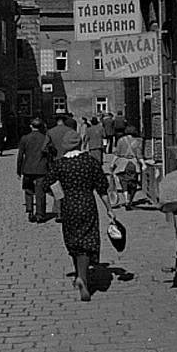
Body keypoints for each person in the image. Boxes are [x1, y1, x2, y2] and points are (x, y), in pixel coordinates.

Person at [44, 129, 116, 302]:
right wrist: (109, 209)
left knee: (73, 239)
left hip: (68, 206)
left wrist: (61, 196)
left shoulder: (60, 164)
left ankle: (79, 274)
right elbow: (102, 187)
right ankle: (82, 277)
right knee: (87, 239)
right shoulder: (90, 162)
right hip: (87, 204)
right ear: (80, 143)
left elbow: (48, 185)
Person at [16, 117, 49, 223]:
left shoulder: (25, 138)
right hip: (41, 169)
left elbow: (20, 155)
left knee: (28, 191)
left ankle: (30, 211)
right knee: (40, 192)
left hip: (28, 168)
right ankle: (40, 214)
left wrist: (18, 170)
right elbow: (49, 154)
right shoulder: (45, 138)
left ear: (31, 126)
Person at [111, 125, 146, 210]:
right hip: (133, 164)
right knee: (133, 183)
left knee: (123, 182)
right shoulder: (138, 141)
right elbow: (139, 155)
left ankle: (126, 198)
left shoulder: (121, 140)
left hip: (123, 164)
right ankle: (130, 200)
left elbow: (117, 154)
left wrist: (112, 163)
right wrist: (143, 164)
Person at [46, 115, 70, 222]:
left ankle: (59, 212)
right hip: (69, 161)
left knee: (57, 186)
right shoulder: (70, 131)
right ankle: (68, 210)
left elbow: (44, 148)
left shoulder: (50, 132)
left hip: (56, 162)